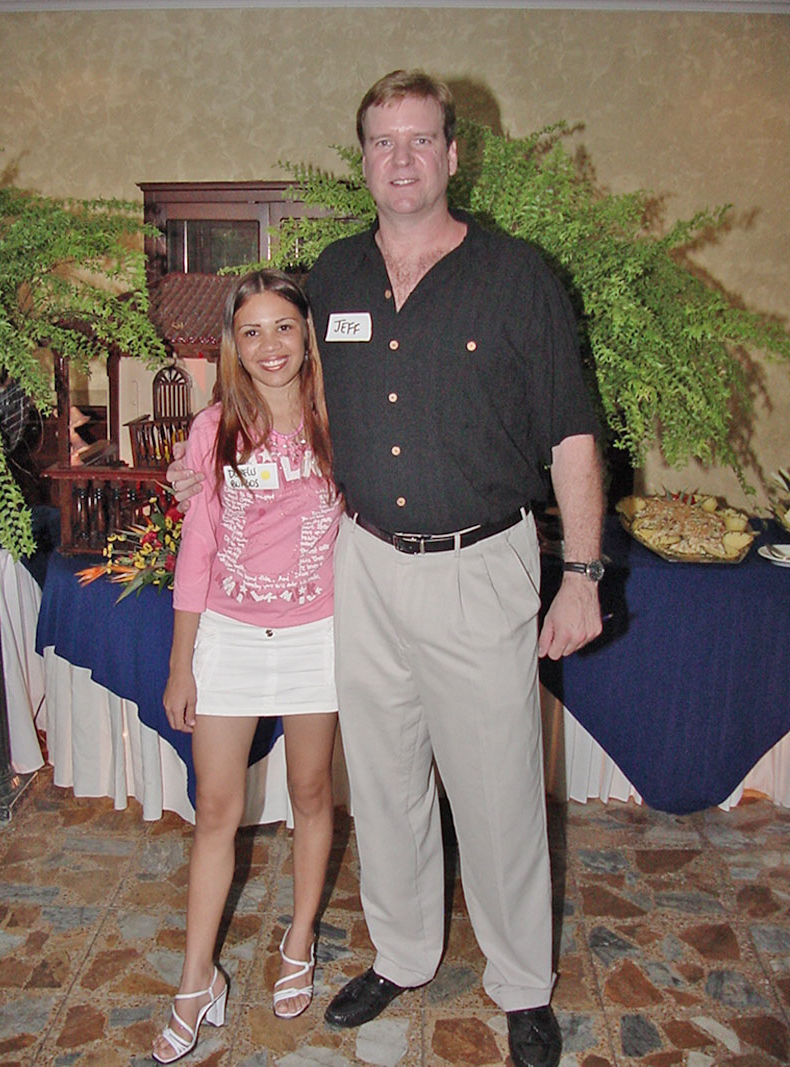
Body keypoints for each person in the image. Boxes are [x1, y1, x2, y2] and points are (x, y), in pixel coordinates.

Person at [169, 70, 603, 1067]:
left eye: (418, 139)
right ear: (361, 158)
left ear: (452, 154)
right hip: (358, 564)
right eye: (381, 141)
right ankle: (403, 952)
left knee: (497, 790)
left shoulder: (518, 276)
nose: (400, 158)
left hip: (477, 563)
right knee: (385, 775)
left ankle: (520, 982)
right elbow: (272, 370)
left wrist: (581, 571)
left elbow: (571, 430)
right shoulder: (334, 275)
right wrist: (204, 453)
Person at [153, 270, 341, 1064]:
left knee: (310, 792)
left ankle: (299, 938)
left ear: (308, 334)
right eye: (252, 330)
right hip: (228, 637)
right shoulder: (214, 428)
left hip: (317, 636)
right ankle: (197, 980)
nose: (270, 345)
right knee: (216, 810)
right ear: (233, 343)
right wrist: (182, 663)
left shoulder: (341, 419)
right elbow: (196, 550)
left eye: (284, 326)